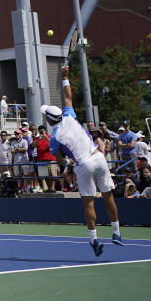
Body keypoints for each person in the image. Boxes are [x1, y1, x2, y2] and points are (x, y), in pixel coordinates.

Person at [44, 65, 122, 256]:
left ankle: (94, 240)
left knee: (89, 203)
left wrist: (67, 164)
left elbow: (61, 161)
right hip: (99, 158)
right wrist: (65, 76)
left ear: (49, 121)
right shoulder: (69, 114)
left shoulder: (55, 138)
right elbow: (68, 96)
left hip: (83, 164)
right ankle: (116, 233)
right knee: (108, 197)